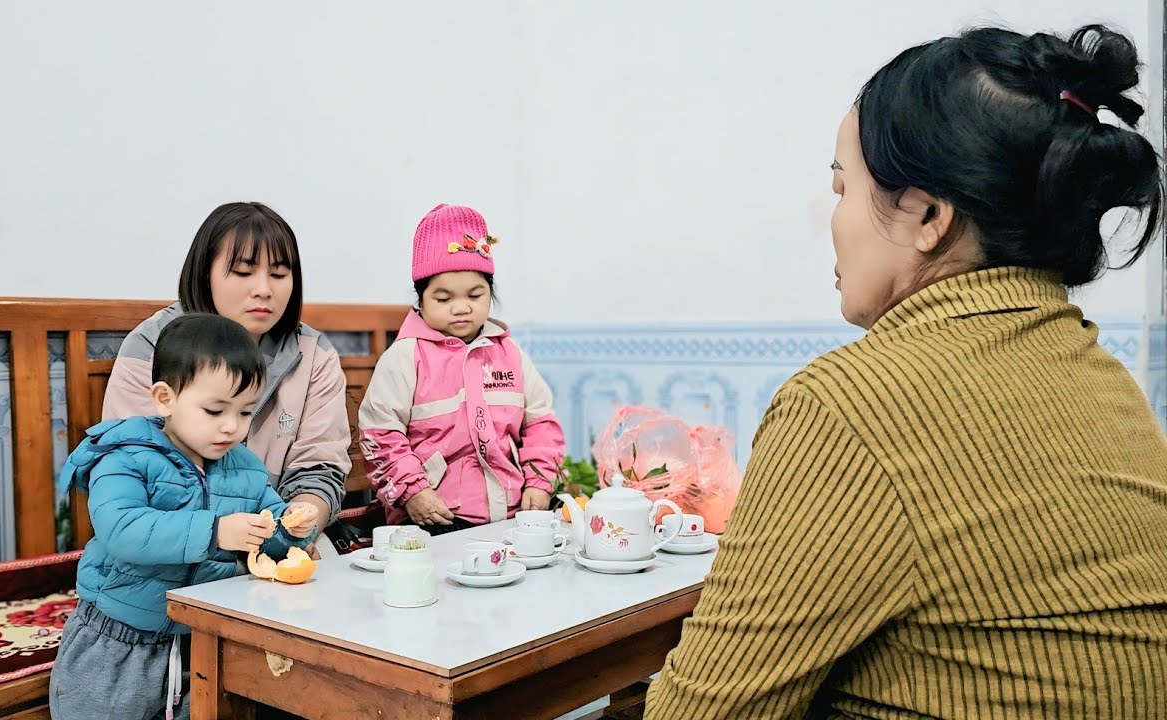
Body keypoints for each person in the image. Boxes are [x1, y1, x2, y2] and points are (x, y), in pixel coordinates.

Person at [646, 25, 1167, 718]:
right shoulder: (1103, 381)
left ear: (927, 215)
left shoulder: (847, 406)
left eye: (841, 187)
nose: (829, 218)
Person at [50, 314, 318, 720]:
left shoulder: (244, 467)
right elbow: (122, 529)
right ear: (165, 398)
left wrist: (290, 526)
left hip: (204, 639)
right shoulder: (125, 455)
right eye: (214, 410)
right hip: (120, 640)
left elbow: (268, 527)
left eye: (246, 413)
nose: (232, 427)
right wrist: (215, 532)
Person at [103, 202, 350, 552]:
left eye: (279, 275)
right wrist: (224, 532)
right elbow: (133, 469)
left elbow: (319, 463)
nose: (264, 289)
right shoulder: (152, 345)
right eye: (243, 272)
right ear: (205, 273)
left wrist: (302, 519)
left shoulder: (313, 354)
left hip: (274, 535)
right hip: (174, 541)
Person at [358, 204, 566, 531]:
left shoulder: (510, 353)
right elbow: (380, 432)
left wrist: (539, 482)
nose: (461, 308)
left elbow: (541, 422)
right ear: (421, 299)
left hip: (512, 512)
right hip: (433, 517)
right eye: (443, 299)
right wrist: (414, 491)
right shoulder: (404, 357)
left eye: (475, 294)